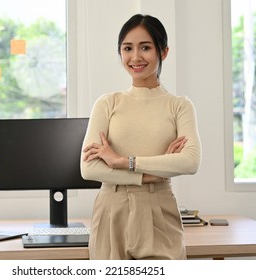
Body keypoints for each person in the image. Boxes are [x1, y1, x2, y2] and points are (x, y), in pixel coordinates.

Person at [80, 14, 201, 260]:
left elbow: (190, 161)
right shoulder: (107, 103)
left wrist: (123, 161)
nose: (135, 57)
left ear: (163, 52)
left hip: (159, 208)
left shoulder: (179, 106)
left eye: (145, 47)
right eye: (127, 48)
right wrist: (156, 171)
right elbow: (89, 168)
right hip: (111, 209)